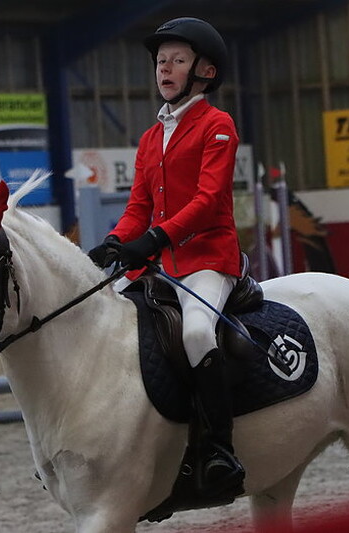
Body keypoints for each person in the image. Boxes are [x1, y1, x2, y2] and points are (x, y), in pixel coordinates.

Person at [88, 16, 244, 498]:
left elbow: (208, 200)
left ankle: (219, 449)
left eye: (177, 60)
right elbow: (138, 206)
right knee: (101, 324)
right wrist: (117, 240)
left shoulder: (217, 125)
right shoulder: (151, 137)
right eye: (160, 61)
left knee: (197, 331)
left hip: (206, 260)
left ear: (205, 72)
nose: (165, 69)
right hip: (157, 263)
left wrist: (154, 239)